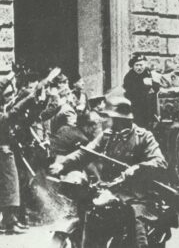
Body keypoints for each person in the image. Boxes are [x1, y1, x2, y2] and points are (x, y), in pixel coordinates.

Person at [49, 96, 167, 248]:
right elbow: (85, 153)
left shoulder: (143, 137)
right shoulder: (107, 135)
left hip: (136, 195)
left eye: (108, 117)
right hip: (109, 188)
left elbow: (160, 161)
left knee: (137, 226)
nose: (104, 120)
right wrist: (63, 164)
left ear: (119, 119)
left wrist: (137, 168)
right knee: (90, 215)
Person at [0, 72, 34, 234]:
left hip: (7, 150)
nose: (9, 97)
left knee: (11, 186)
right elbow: (10, 116)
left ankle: (10, 220)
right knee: (9, 187)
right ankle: (9, 223)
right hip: (3, 151)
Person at [123, 53, 160, 128]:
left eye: (141, 65)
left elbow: (156, 87)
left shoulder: (148, 73)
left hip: (149, 110)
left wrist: (152, 85)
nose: (139, 68)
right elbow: (132, 92)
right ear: (132, 66)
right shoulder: (129, 77)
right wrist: (143, 84)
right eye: (136, 65)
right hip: (136, 110)